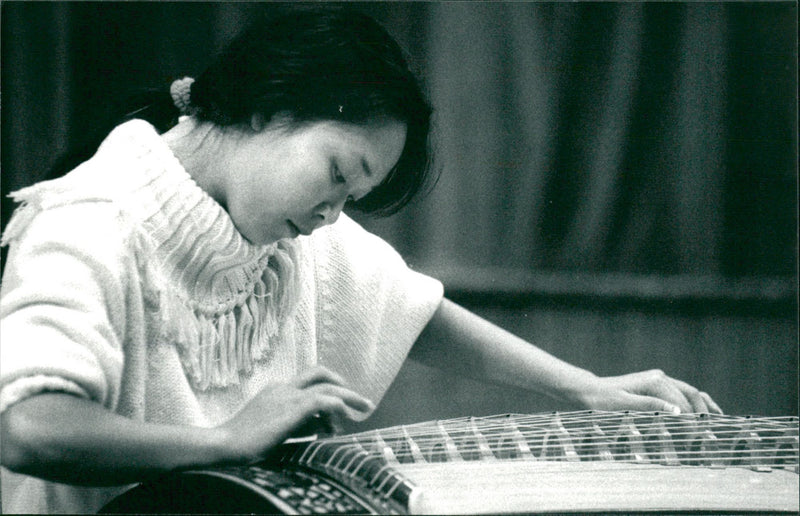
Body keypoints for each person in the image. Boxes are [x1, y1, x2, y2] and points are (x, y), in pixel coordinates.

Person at [0, 7, 721, 514]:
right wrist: (217, 441)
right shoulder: (94, 218)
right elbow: (29, 426)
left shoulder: (276, 231)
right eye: (339, 174)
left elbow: (412, 307)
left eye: (355, 196)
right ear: (262, 109)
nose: (331, 216)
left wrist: (585, 388)